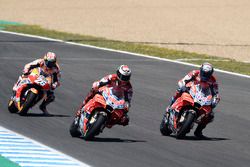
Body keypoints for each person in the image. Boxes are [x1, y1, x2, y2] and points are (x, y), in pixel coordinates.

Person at [167, 62, 220, 138]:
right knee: (179, 90)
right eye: (204, 73)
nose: (205, 75)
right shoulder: (194, 73)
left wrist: (215, 101)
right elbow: (183, 80)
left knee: (210, 115)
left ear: (211, 73)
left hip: (202, 98)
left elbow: (216, 93)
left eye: (207, 74)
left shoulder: (213, 80)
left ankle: (198, 131)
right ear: (201, 70)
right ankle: (171, 106)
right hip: (191, 92)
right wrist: (183, 86)